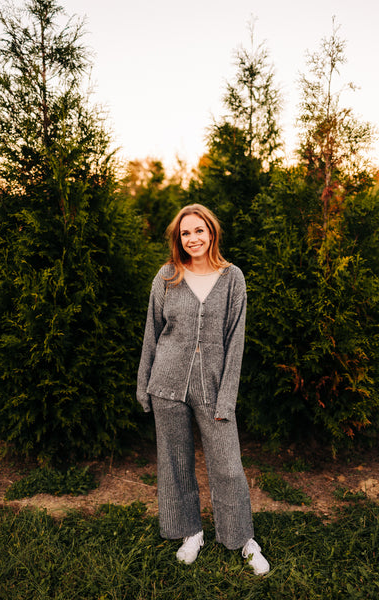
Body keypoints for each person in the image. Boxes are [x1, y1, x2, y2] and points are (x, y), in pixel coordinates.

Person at [136, 204, 270, 575]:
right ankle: (191, 532)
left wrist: (227, 397)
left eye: (199, 231)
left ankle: (242, 539)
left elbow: (235, 342)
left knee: (228, 467)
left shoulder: (232, 278)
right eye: (185, 233)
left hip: (213, 387)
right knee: (175, 464)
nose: (193, 238)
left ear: (211, 233)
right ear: (178, 239)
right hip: (166, 384)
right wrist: (144, 384)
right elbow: (152, 332)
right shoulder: (167, 276)